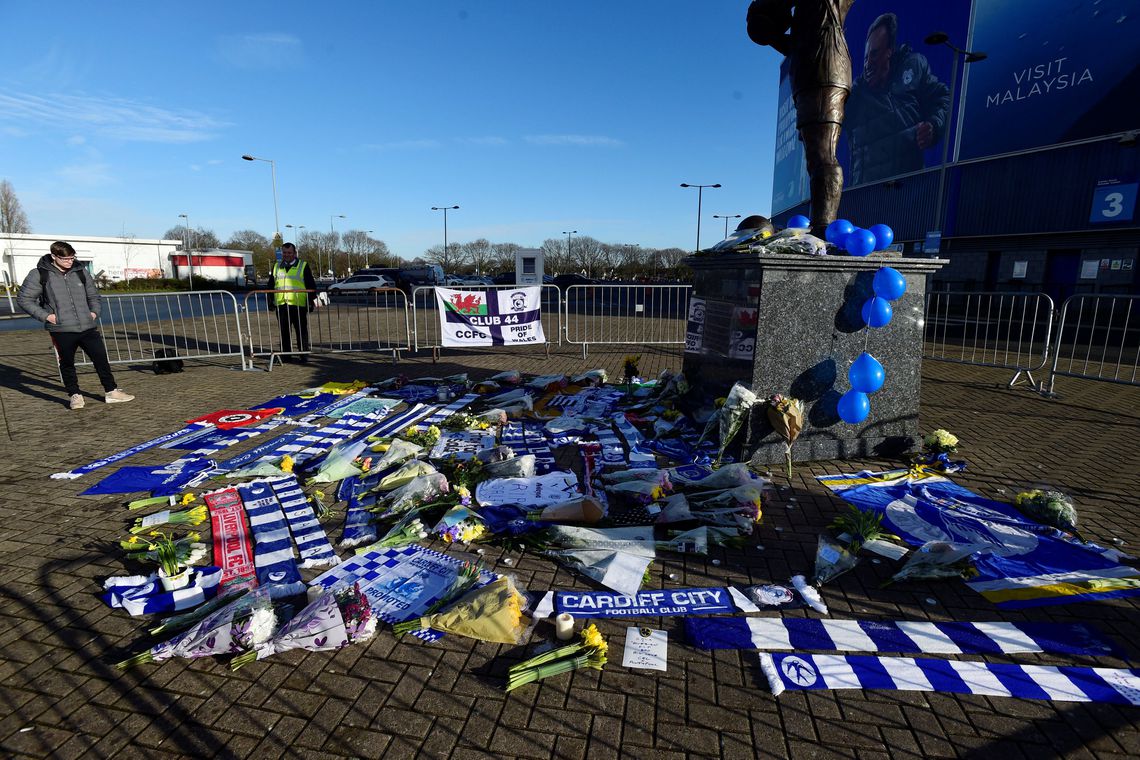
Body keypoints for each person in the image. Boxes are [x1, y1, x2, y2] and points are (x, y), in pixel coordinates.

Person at [748, 0, 856, 239]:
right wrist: (767, 30)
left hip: (825, 69)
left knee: (822, 155)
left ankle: (823, 231)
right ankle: (822, 227)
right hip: (811, 71)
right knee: (815, 157)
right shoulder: (808, 15)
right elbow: (797, 43)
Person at [17, 241, 134, 409]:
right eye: (65, 259)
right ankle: (75, 395)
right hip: (61, 329)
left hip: (87, 326)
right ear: (53, 257)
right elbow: (24, 299)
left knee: (101, 359)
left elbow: (94, 295)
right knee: (67, 363)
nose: (69, 262)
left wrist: (94, 313)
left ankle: (112, 392)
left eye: (72, 258)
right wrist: (47, 317)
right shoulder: (39, 274)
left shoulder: (80, 272)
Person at [845, 13, 951, 186]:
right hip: (868, 198)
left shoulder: (914, 67)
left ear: (889, 52)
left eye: (874, 54)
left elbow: (942, 98)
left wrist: (934, 125)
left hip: (910, 193)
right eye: (866, 57)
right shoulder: (854, 94)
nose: (868, 64)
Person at [267, 242, 317, 363]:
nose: (287, 255)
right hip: (282, 304)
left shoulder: (303, 265)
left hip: (298, 304)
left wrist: (311, 301)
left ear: (294, 253)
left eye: (289, 252)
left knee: (301, 331)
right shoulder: (277, 266)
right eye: (284, 252)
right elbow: (271, 285)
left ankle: (303, 354)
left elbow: (311, 284)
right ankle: (286, 355)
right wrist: (270, 300)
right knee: (284, 331)